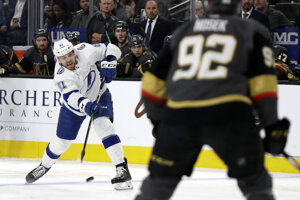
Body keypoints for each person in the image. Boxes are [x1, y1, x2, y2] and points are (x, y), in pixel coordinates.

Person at [135, 0, 291, 199]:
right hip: (229, 115)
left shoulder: (184, 31)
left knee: (156, 186)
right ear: (236, 6)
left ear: (208, 6)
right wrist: (271, 126)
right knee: (256, 183)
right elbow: (265, 87)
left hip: (180, 117)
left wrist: (160, 121)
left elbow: (151, 84)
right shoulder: (252, 30)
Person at [25, 38, 133, 191]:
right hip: (74, 108)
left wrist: (110, 60)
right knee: (61, 142)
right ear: (58, 59)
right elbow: (72, 97)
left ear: (73, 51)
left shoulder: (85, 50)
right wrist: (87, 105)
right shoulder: (61, 76)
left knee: (104, 126)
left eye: (69, 55)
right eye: (63, 58)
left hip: (99, 94)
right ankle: (44, 165)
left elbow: (111, 47)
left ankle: (121, 168)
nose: (68, 60)